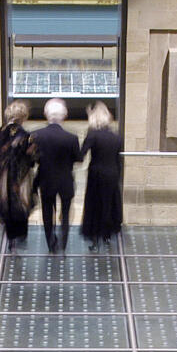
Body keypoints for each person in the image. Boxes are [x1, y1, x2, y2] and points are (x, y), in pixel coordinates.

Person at [29, 97, 82, 253]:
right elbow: (78, 158)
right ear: (64, 115)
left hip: (45, 179)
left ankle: (51, 243)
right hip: (65, 180)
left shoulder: (36, 135)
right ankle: (64, 242)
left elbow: (33, 158)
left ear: (47, 115)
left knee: (47, 212)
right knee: (65, 213)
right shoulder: (71, 138)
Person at [79, 102, 123, 251]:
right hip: (113, 173)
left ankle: (95, 237)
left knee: (95, 204)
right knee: (109, 204)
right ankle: (107, 234)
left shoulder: (93, 135)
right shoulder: (116, 136)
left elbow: (81, 154)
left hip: (97, 173)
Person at [0, 100, 36, 247]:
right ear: (23, 116)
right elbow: (31, 159)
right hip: (20, 179)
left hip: (4, 178)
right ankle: (20, 236)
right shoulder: (27, 136)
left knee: (6, 205)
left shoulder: (0, 133)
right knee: (21, 206)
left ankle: (10, 237)